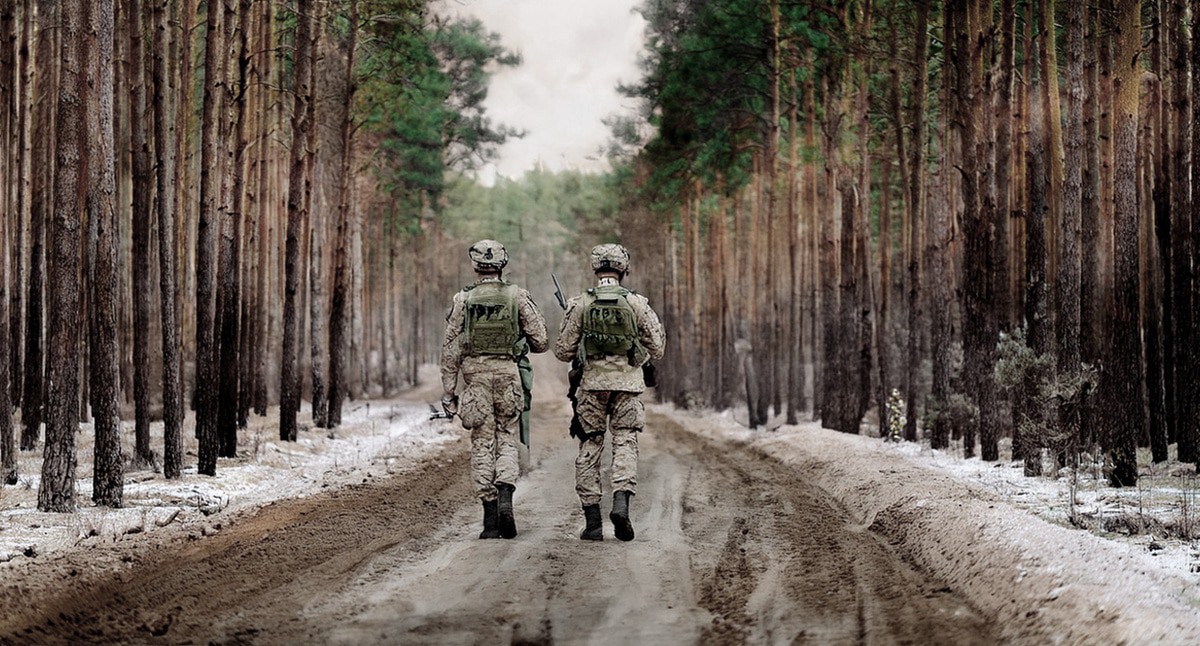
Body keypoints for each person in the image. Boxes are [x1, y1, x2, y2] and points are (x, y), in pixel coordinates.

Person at [554, 243, 666, 541]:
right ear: (623, 269)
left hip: (591, 385)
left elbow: (562, 351)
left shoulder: (580, 304)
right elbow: (658, 347)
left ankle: (592, 523)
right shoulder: (637, 304)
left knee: (590, 446)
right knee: (625, 442)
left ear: (595, 269)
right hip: (628, 386)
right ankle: (620, 504)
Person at [441, 239, 548, 539]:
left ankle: (489, 520)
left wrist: (449, 391)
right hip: (507, 376)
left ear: (475, 266)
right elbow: (541, 340)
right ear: (503, 265)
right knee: (507, 438)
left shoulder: (463, 299)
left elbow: (450, 349)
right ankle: (505, 496)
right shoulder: (518, 296)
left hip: (475, 379)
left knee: (482, 443)